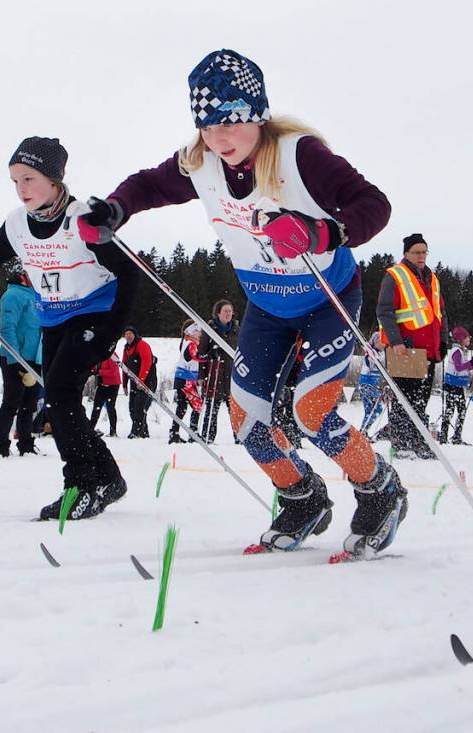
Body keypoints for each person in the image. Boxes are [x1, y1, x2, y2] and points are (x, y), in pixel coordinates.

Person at [83, 49, 405, 556]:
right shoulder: (201, 162)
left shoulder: (300, 155)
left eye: (231, 122)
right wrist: (116, 208)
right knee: (247, 422)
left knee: (311, 412)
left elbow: (374, 205)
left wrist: (322, 232)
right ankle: (302, 496)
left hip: (327, 298)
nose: (220, 138)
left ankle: (380, 489)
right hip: (268, 306)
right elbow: (147, 185)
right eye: (207, 126)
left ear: (256, 114)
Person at [0, 137, 137, 519]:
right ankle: (107, 475)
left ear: (55, 179)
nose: (21, 189)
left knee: (63, 392)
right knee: (58, 395)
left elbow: (129, 274)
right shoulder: (17, 223)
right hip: (52, 317)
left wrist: (110, 333)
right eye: (15, 181)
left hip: (93, 312)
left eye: (29, 179)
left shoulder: (81, 219)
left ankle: (83, 484)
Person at [376, 233, 448, 459]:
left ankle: (417, 440)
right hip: (405, 349)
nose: (421, 256)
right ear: (406, 253)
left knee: (420, 400)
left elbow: (440, 313)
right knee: (403, 399)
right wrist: (396, 341)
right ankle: (402, 442)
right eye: (417, 252)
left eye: (424, 252)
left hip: (428, 350)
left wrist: (444, 340)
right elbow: (384, 311)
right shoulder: (395, 275)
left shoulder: (432, 278)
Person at [0, 263, 42, 457]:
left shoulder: (36, 296)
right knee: (12, 401)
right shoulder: (12, 295)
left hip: (34, 358)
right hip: (15, 358)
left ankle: (26, 443)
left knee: (29, 404)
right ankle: (1, 444)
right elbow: (7, 329)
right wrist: (15, 360)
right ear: (24, 275)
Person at [197, 299, 239, 444]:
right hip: (214, 372)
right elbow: (201, 353)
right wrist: (202, 374)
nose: (228, 314)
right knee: (212, 408)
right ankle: (208, 435)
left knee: (234, 409)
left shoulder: (236, 330)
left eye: (230, 311)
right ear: (218, 313)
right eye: (225, 311)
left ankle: (239, 437)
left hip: (232, 375)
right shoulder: (210, 329)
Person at [438, 326, 473, 445]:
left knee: (459, 411)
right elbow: (458, 367)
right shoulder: (457, 351)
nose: (469, 339)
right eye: (467, 337)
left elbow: (463, 368)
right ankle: (446, 437)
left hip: (457, 385)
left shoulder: (462, 350)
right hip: (452, 385)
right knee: (452, 411)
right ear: (461, 339)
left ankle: (454, 436)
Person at [169, 320, 203, 444]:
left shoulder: (186, 342)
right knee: (197, 405)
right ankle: (192, 433)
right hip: (186, 380)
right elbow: (196, 356)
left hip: (183, 378)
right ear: (189, 332)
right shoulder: (190, 343)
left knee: (182, 407)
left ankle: (174, 432)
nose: (199, 333)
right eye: (196, 331)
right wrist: (209, 356)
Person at [122, 326, 157, 438]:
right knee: (132, 408)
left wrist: (141, 380)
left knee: (139, 407)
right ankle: (144, 432)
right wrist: (124, 384)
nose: (128, 336)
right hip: (134, 381)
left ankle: (136, 432)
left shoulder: (142, 345)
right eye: (126, 334)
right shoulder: (126, 349)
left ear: (135, 335)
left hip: (147, 381)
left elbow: (147, 362)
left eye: (130, 334)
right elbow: (124, 366)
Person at [358, 331, 385, 434]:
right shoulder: (371, 353)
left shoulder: (380, 353)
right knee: (372, 410)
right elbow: (370, 360)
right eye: (381, 342)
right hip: (366, 385)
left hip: (374, 386)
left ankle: (363, 431)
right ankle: (363, 432)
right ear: (375, 342)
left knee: (376, 410)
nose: (383, 344)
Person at [89, 355, 121, 437]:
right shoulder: (98, 356)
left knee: (110, 407)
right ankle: (90, 429)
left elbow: (113, 372)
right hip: (102, 384)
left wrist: (99, 372)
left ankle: (113, 431)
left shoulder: (113, 356)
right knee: (96, 407)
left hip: (113, 385)